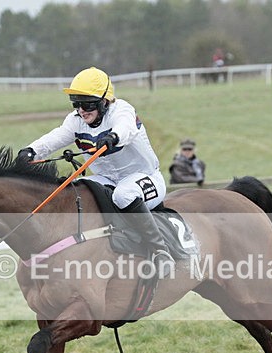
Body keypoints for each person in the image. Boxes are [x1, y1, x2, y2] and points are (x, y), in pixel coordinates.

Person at [16, 67, 174, 278]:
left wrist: (114, 137)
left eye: (87, 103)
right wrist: (32, 150)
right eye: (77, 103)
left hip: (145, 178)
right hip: (107, 179)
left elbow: (125, 128)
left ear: (104, 101)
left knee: (123, 195)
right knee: (78, 191)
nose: (82, 110)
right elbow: (56, 136)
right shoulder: (76, 120)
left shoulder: (122, 110)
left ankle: (161, 251)